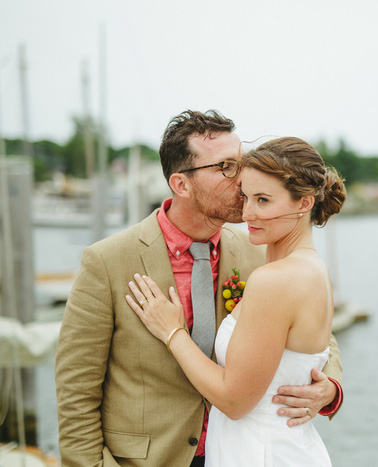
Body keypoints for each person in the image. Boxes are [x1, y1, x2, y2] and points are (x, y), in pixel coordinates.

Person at [55, 111, 343, 467]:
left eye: (241, 162)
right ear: (181, 184)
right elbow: (76, 393)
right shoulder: (107, 261)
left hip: (238, 453)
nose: (242, 179)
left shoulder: (259, 252)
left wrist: (330, 389)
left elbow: (318, 336)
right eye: (226, 167)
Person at [126, 136, 346, 466]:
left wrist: (173, 332)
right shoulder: (313, 269)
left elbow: (233, 400)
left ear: (304, 204)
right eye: (245, 197)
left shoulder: (275, 279)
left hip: (261, 453)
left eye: (263, 200)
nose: (247, 213)